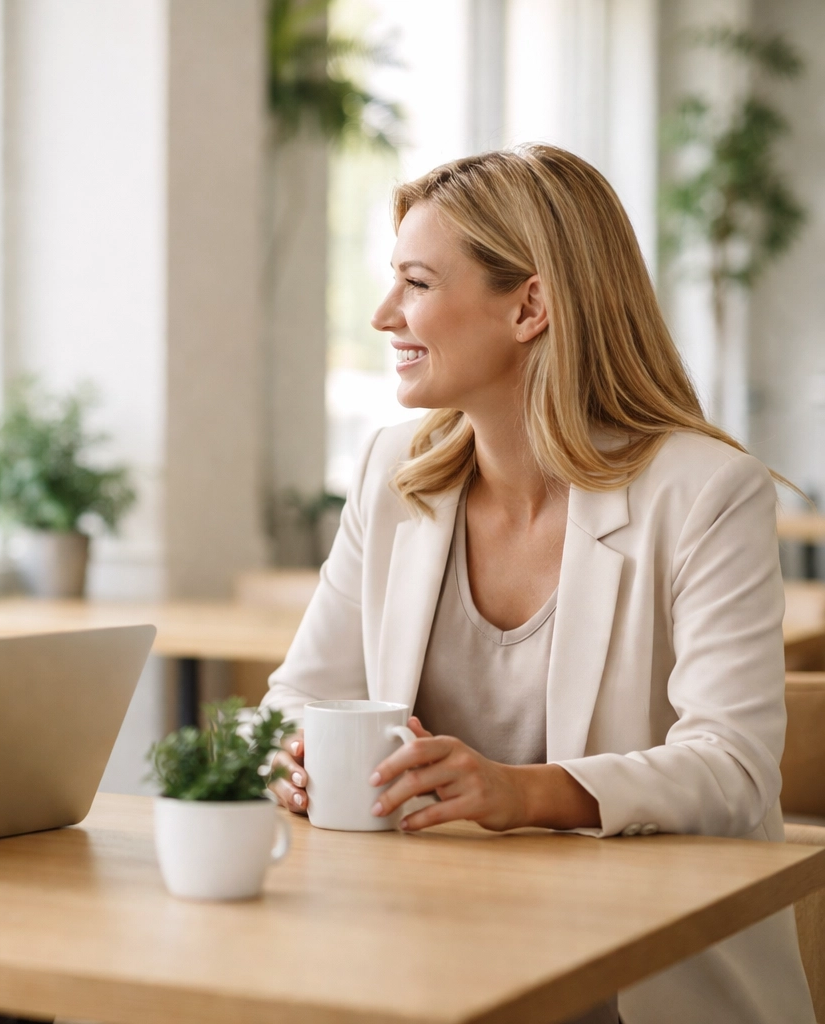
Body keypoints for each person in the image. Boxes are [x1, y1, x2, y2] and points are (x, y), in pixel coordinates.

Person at [262, 144, 814, 1024]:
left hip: (634, 987)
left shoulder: (706, 491)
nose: (381, 314)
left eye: (415, 283)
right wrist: (290, 758)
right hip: (424, 962)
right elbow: (297, 695)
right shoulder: (391, 471)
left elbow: (734, 769)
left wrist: (523, 791)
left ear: (530, 306)